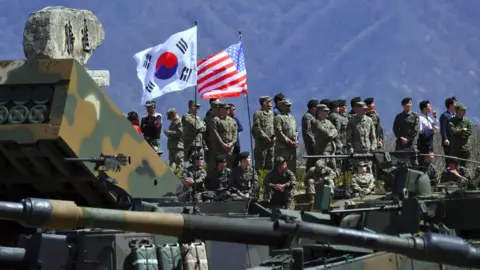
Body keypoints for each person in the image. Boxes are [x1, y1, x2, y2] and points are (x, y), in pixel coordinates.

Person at [346, 102, 377, 167]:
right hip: (357, 152)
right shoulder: (351, 122)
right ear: (357, 110)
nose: (365, 111)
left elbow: (373, 136)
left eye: (365, 109)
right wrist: (351, 150)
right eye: (363, 109)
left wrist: (373, 146)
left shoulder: (369, 120)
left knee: (368, 171)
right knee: (359, 172)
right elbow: (349, 139)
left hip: (368, 151)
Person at [274, 99, 299, 173]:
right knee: (282, 165)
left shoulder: (292, 118)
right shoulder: (278, 118)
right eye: (287, 106)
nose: (289, 107)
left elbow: (296, 131)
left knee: (292, 165)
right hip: (283, 147)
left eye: (290, 106)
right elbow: (278, 131)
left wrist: (296, 141)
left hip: (292, 147)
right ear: (282, 107)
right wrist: (288, 141)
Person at [312, 104, 338, 173]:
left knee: (333, 171)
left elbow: (335, 131)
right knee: (322, 171)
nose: (327, 112)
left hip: (331, 151)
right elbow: (327, 134)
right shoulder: (316, 122)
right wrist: (331, 134)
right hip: (322, 151)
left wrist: (331, 133)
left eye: (328, 111)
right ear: (319, 112)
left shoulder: (328, 122)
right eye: (325, 111)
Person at [252, 96, 275, 171]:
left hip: (271, 143)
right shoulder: (258, 113)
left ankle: (268, 180)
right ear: (265, 103)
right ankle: (259, 181)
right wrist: (265, 137)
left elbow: (274, 126)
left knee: (270, 163)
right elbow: (256, 127)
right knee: (260, 164)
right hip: (261, 144)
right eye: (269, 102)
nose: (271, 104)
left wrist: (274, 137)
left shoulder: (272, 114)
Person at [212, 103, 238, 168]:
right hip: (220, 147)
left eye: (228, 108)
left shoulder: (232, 120)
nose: (228, 110)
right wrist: (222, 144)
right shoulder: (216, 120)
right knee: (220, 165)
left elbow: (235, 133)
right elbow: (215, 132)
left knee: (229, 165)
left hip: (230, 148)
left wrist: (232, 143)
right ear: (221, 110)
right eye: (226, 108)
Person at [204, 100, 222, 169]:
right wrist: (205, 145)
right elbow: (204, 134)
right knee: (212, 165)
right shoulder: (207, 119)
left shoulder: (220, 119)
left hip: (221, 146)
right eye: (218, 108)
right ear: (213, 109)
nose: (219, 110)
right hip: (211, 146)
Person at [302, 99, 318, 171]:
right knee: (311, 159)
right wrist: (314, 141)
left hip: (315, 142)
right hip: (310, 143)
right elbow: (308, 131)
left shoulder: (313, 116)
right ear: (313, 107)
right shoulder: (308, 117)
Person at [440, 96, 456, 165]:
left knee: (455, 161)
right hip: (448, 142)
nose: (456, 105)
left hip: (455, 142)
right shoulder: (444, 115)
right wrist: (445, 139)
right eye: (455, 103)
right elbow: (443, 129)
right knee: (449, 160)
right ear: (450, 105)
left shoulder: (455, 115)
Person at [228, 103, 243, 168]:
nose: (235, 111)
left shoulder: (236, 119)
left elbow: (240, 128)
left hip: (236, 144)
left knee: (236, 160)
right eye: (233, 109)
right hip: (229, 144)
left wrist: (234, 129)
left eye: (235, 109)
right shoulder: (226, 120)